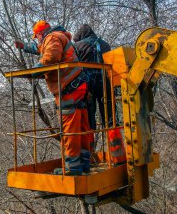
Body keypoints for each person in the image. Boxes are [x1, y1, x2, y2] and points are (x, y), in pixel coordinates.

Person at [15, 20, 92, 175]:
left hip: (69, 88)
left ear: (41, 34)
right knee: (81, 127)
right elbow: (40, 49)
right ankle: (84, 164)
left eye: (37, 37)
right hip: (78, 85)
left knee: (69, 128)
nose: (37, 41)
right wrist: (24, 47)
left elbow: (51, 57)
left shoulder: (52, 38)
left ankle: (72, 168)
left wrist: (34, 71)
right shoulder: (56, 37)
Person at [73, 24, 126, 166]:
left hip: (88, 88)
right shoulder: (105, 45)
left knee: (89, 123)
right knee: (111, 121)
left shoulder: (78, 47)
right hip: (106, 86)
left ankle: (88, 159)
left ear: (80, 36)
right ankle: (118, 158)